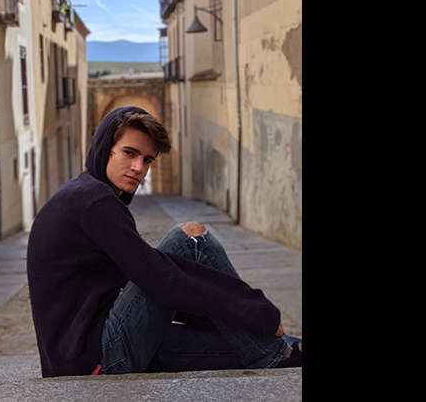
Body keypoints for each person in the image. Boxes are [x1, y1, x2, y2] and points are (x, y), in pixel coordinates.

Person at [27, 106, 301, 378]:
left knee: (239, 348)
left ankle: (276, 352)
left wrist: (229, 322)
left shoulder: (84, 193)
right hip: (99, 358)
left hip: (89, 353)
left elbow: (151, 287)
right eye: (129, 153)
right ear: (105, 147)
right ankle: (277, 356)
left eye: (147, 160)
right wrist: (256, 313)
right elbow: (160, 280)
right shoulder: (94, 201)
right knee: (191, 239)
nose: (138, 168)